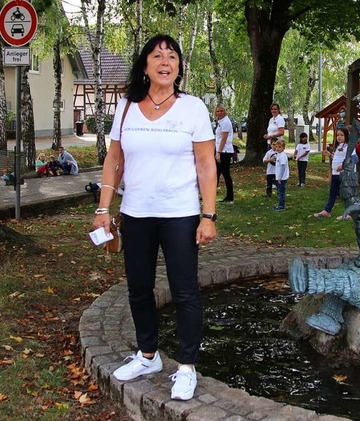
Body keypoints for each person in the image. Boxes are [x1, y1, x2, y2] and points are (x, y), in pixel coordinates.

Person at [91, 34, 217, 402]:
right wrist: (103, 209)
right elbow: (114, 161)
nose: (165, 61)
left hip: (179, 215)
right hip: (136, 214)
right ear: (145, 64)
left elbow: (207, 165)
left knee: (185, 292)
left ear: (179, 66)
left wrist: (208, 215)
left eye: (172, 56)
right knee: (139, 289)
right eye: (157, 55)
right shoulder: (127, 107)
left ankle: (187, 366)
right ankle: (148, 356)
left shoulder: (192, 108)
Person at [314, 127, 351, 218]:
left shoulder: (349, 147)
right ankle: (327, 211)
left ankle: (349, 214)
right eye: (337, 135)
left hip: (344, 174)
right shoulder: (339, 146)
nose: (339, 137)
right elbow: (338, 158)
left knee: (347, 195)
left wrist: (343, 166)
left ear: (346, 136)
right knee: (332, 193)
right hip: (335, 174)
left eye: (342, 135)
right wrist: (329, 155)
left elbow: (354, 159)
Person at [214, 104, 234, 204]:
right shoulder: (220, 122)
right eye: (217, 111)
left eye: (221, 111)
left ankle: (230, 197)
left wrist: (218, 152)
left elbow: (224, 139)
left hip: (224, 152)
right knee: (216, 173)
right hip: (219, 150)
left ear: (224, 111)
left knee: (226, 174)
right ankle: (211, 194)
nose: (219, 113)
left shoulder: (226, 122)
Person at [273, 139, 289, 211]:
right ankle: (280, 204)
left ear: (283, 148)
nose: (277, 148)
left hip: (282, 178)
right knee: (279, 192)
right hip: (279, 177)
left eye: (279, 147)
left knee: (281, 192)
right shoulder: (278, 155)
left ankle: (281, 206)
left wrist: (280, 177)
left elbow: (282, 167)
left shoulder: (283, 156)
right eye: (276, 147)